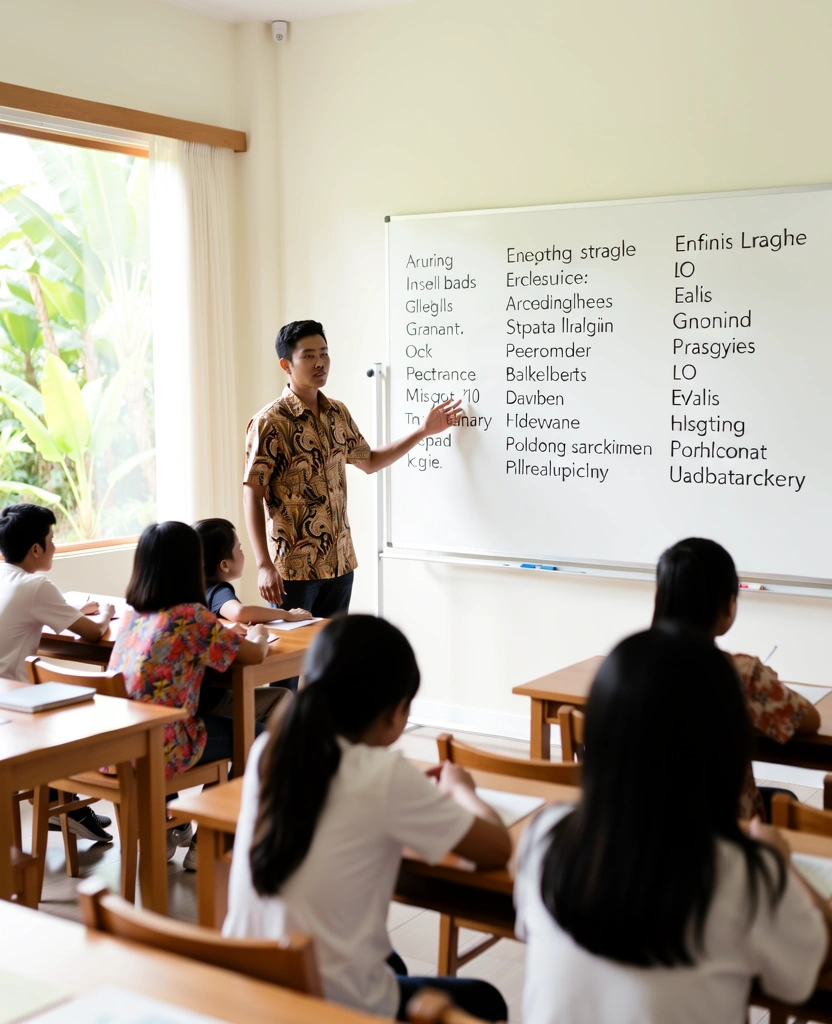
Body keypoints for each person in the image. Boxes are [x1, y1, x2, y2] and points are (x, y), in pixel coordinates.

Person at [515, 626, 832, 1024]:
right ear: (726, 746)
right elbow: (813, 962)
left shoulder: (545, 835)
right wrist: (778, 863)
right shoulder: (743, 873)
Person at [223, 614, 511, 1023]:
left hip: (250, 991)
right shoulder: (384, 775)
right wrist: (460, 787)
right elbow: (497, 848)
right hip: (327, 1008)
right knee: (485, 999)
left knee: (389, 961)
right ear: (396, 712)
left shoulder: (268, 750)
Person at [243, 320, 462, 619]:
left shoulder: (337, 412)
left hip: (340, 563)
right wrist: (263, 565)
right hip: (294, 570)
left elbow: (369, 461)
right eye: (308, 355)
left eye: (324, 353)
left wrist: (423, 431)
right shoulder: (270, 422)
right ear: (286, 364)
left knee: (333, 661)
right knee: (288, 663)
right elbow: (252, 494)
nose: (320, 362)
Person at [108, 521, 270, 868]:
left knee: (226, 723)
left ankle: (176, 824)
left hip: (118, 746)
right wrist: (258, 636)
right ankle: (210, 838)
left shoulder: (132, 614)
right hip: (163, 746)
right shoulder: (190, 616)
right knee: (256, 737)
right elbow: (253, 656)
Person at [652, 537, 819, 820]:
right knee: (784, 802)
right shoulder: (741, 675)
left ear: (658, 597)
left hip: (639, 830)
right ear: (729, 606)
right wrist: (768, 684)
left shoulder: (623, 665)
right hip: (723, 834)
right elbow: (809, 720)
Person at [0, 503, 115, 842]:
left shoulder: (8, 579)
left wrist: (73, 611)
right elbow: (93, 634)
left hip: (5, 699)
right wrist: (105, 613)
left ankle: (65, 806)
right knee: (91, 705)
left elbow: (29, 612)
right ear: (36, 549)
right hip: (14, 707)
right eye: (52, 539)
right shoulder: (36, 587)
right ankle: (67, 806)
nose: (55, 545)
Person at [192, 516, 308, 713]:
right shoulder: (218, 590)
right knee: (283, 697)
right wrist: (285, 615)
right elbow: (239, 612)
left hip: (199, 694)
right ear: (224, 565)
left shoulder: (193, 589)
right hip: (208, 704)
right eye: (240, 549)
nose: (243, 554)